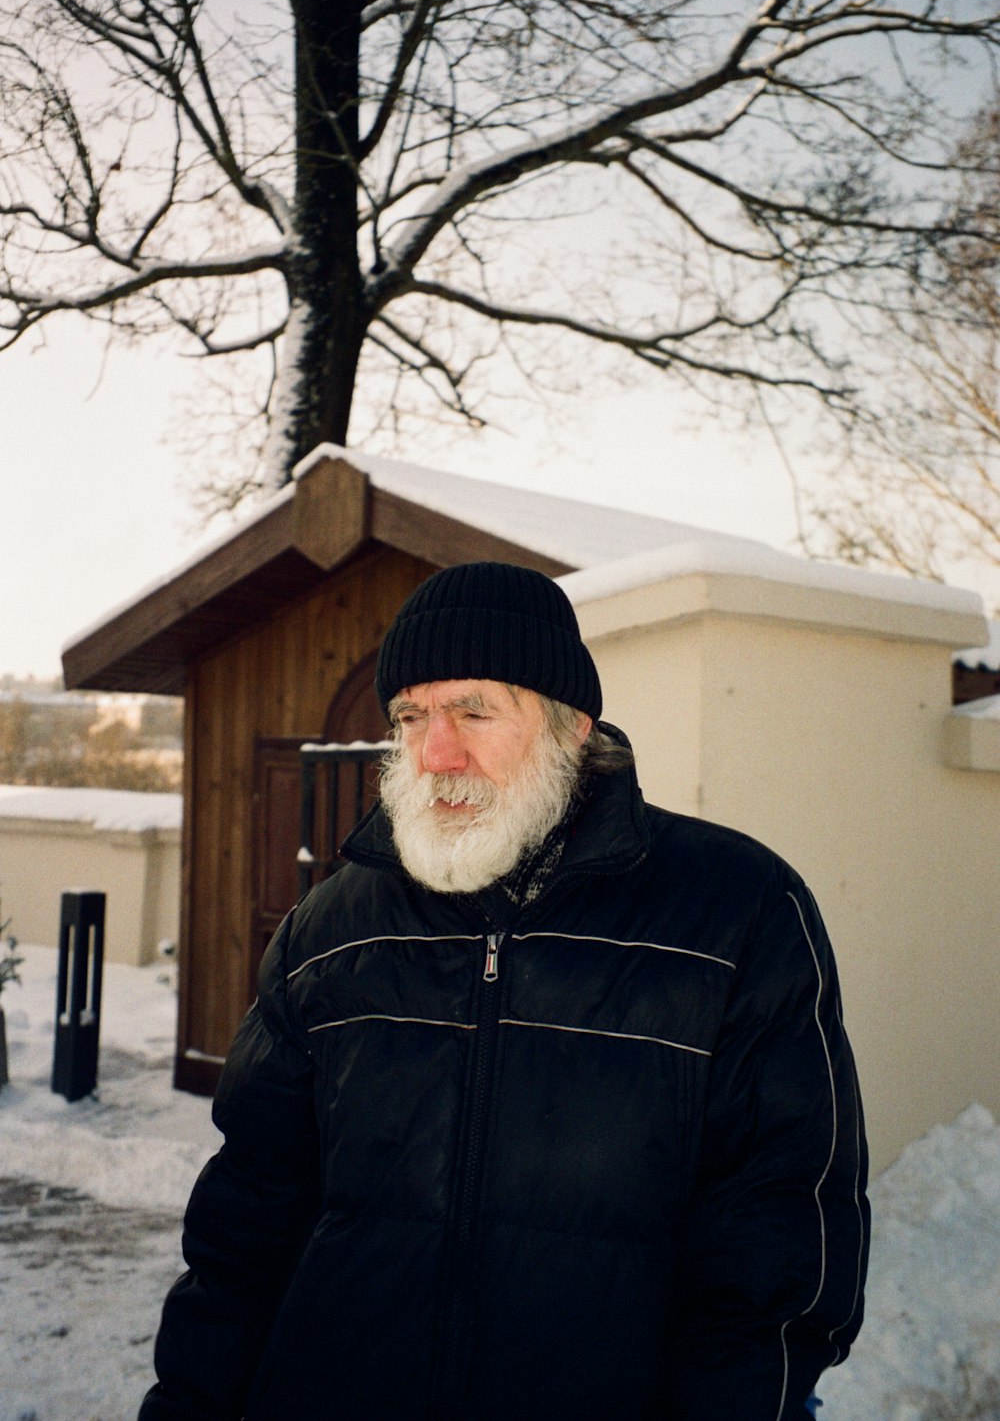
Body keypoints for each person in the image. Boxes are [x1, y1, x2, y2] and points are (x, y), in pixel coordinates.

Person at [139, 561, 869, 1421]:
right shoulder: (331, 930)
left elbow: (781, 1236)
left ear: (570, 726)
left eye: (474, 710)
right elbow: (244, 1224)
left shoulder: (737, 911)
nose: (435, 752)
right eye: (411, 715)